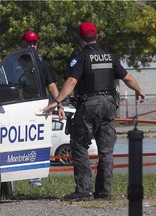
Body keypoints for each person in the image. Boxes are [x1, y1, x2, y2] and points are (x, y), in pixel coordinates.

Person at [43, 22, 145, 200]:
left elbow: (72, 81)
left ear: (81, 40)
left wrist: (57, 100)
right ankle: (104, 192)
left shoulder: (80, 58)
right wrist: (139, 90)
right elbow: (127, 77)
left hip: (90, 105)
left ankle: (84, 190)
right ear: (97, 37)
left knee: (80, 145)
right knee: (106, 150)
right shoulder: (110, 57)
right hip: (109, 105)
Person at [21, 30, 65, 186]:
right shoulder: (16, 63)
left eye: (34, 43)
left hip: (39, 109)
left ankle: (35, 177)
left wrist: (59, 105)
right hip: (19, 108)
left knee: (37, 142)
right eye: (29, 42)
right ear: (23, 43)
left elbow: (52, 85)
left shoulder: (42, 63)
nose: (32, 45)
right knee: (21, 143)